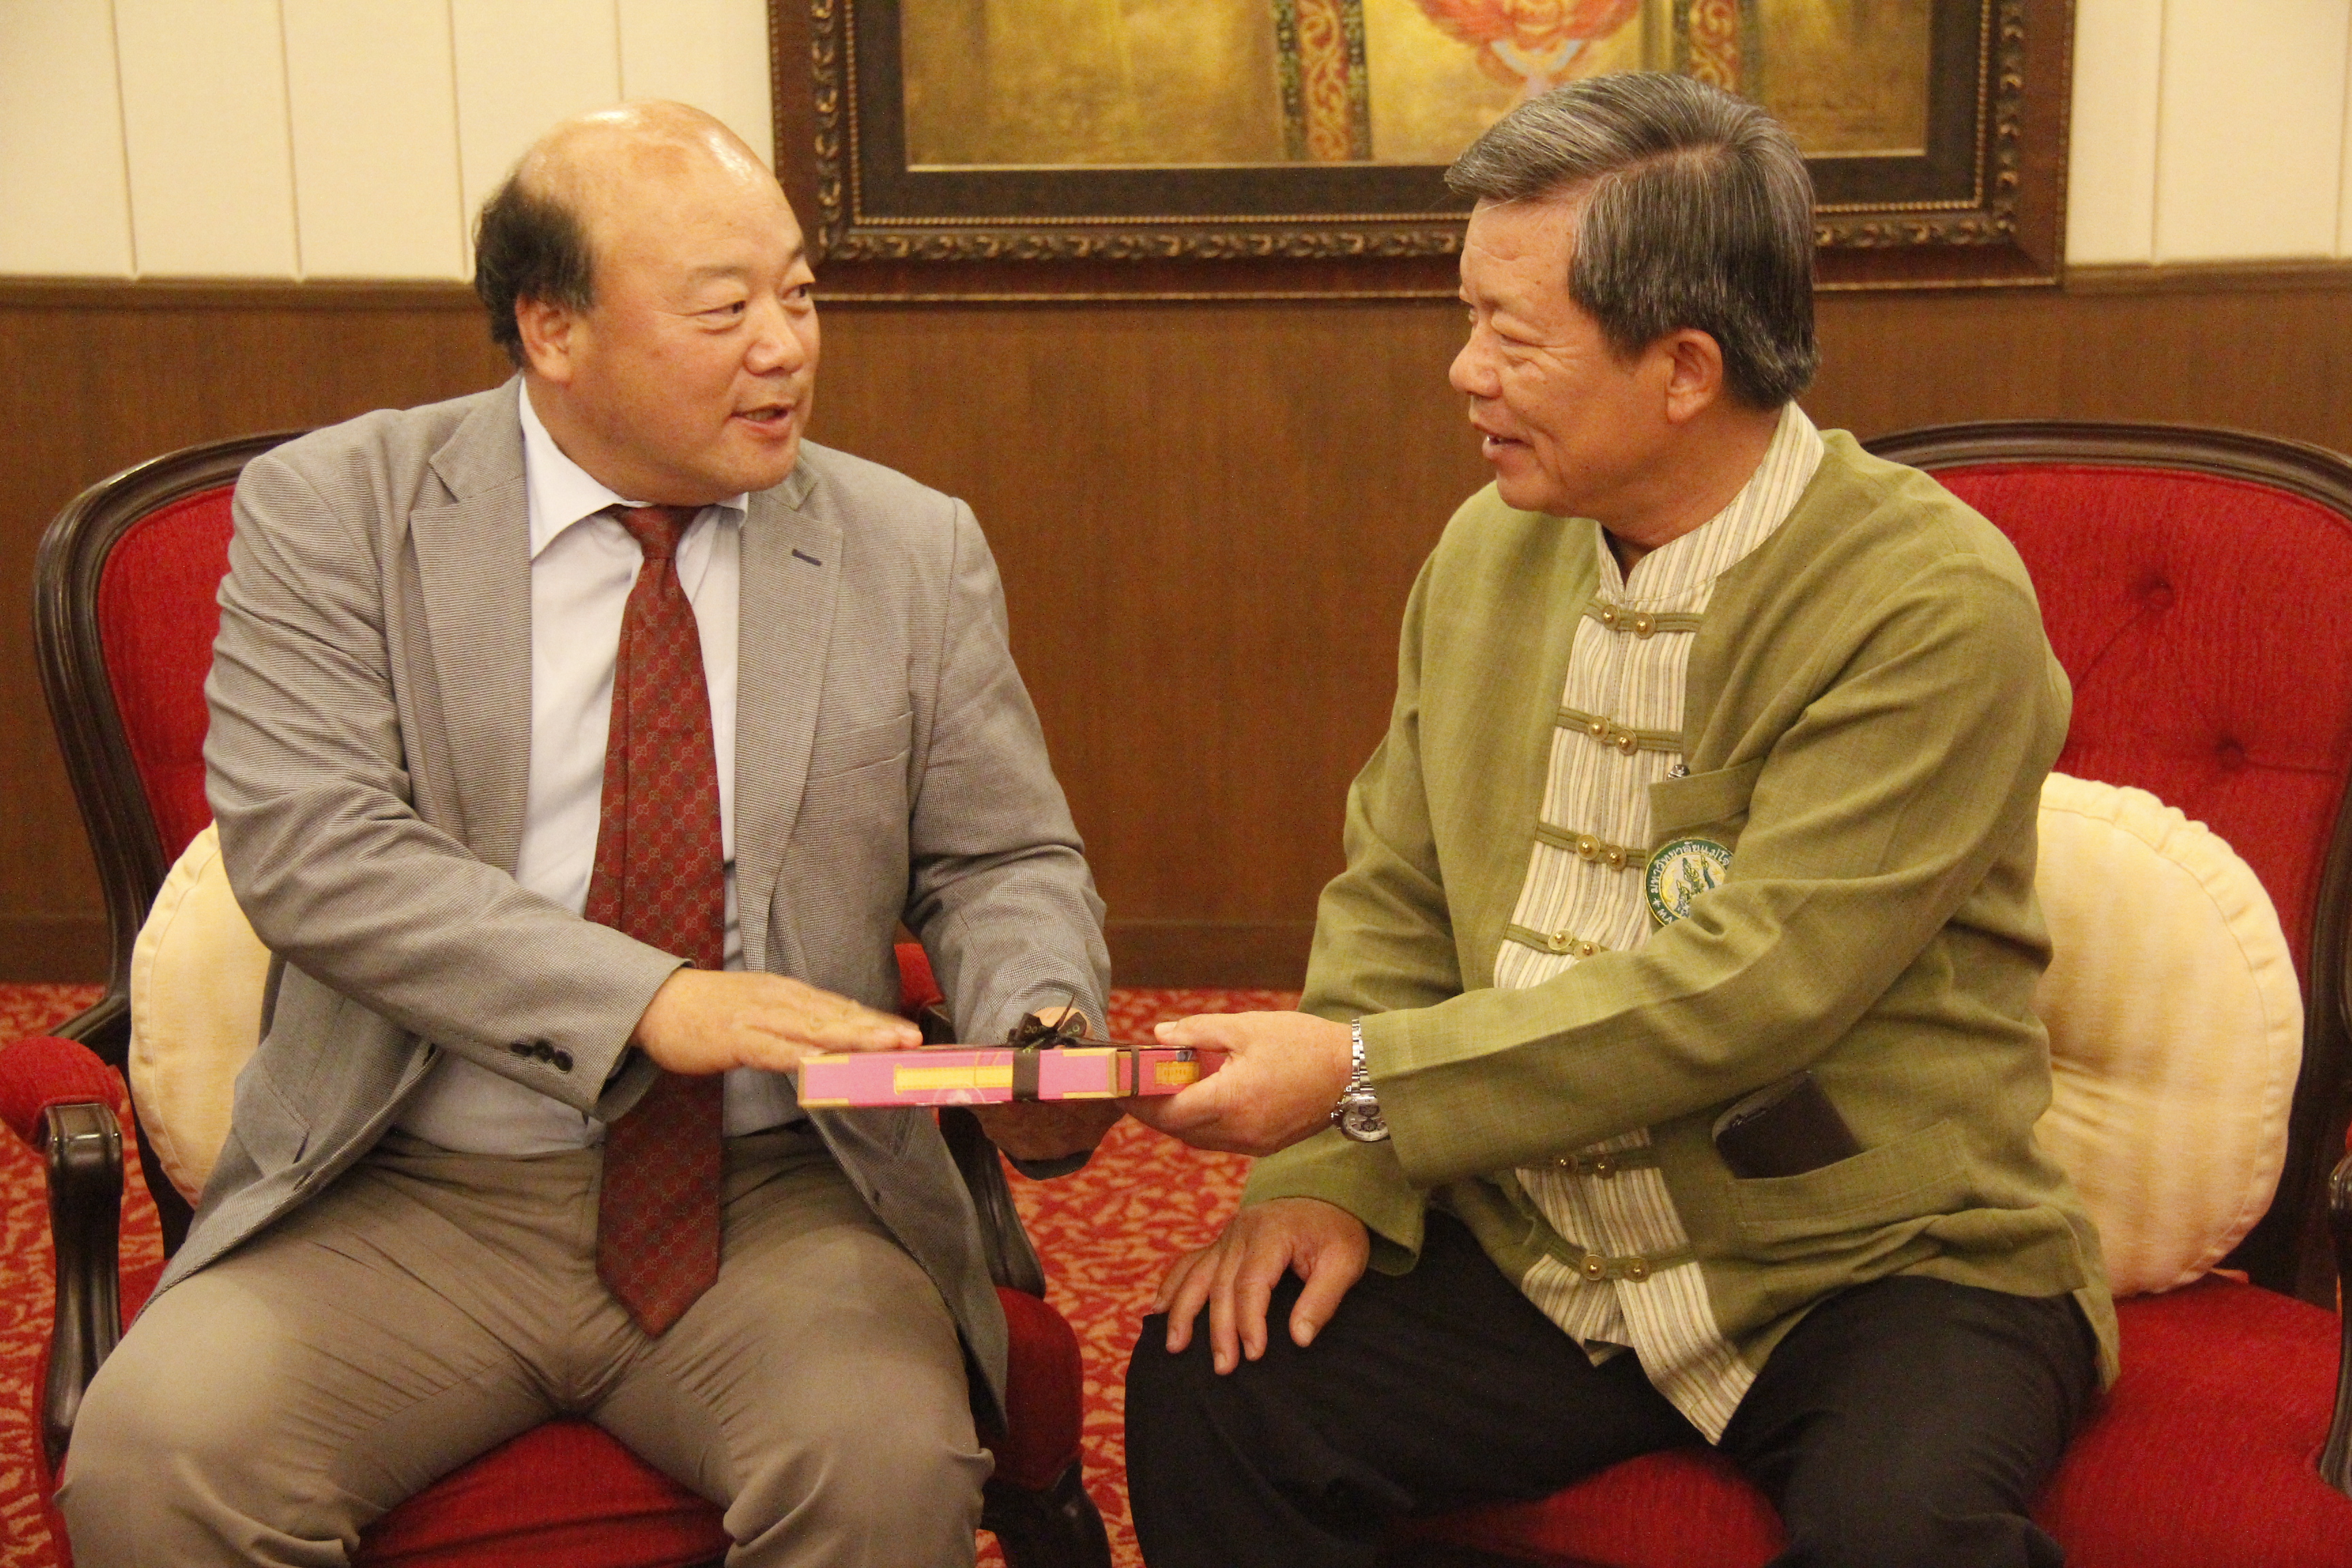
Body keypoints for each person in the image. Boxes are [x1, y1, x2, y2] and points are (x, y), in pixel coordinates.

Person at [59, 101, 1115, 1567]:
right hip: (406, 1184)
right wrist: (653, 1003)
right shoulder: (342, 512)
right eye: (724, 311)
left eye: (801, 295)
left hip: (779, 1194)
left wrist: (1038, 1021)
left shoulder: (907, 546)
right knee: (158, 1463)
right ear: (551, 328)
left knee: (882, 1469)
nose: (785, 348)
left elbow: (999, 859)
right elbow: (317, 850)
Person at [1122, 74, 2114, 1568]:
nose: (1464, 371)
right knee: (1221, 1385)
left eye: (1510, 336)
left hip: (1873, 1259)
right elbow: (1398, 897)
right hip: (1545, 1241)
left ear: (1684, 368)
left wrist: (1358, 1081)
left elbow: (1751, 986)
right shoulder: (1486, 553)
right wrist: (1327, 1177)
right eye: (1467, 317)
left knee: (1898, 1534)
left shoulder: (1930, 602)